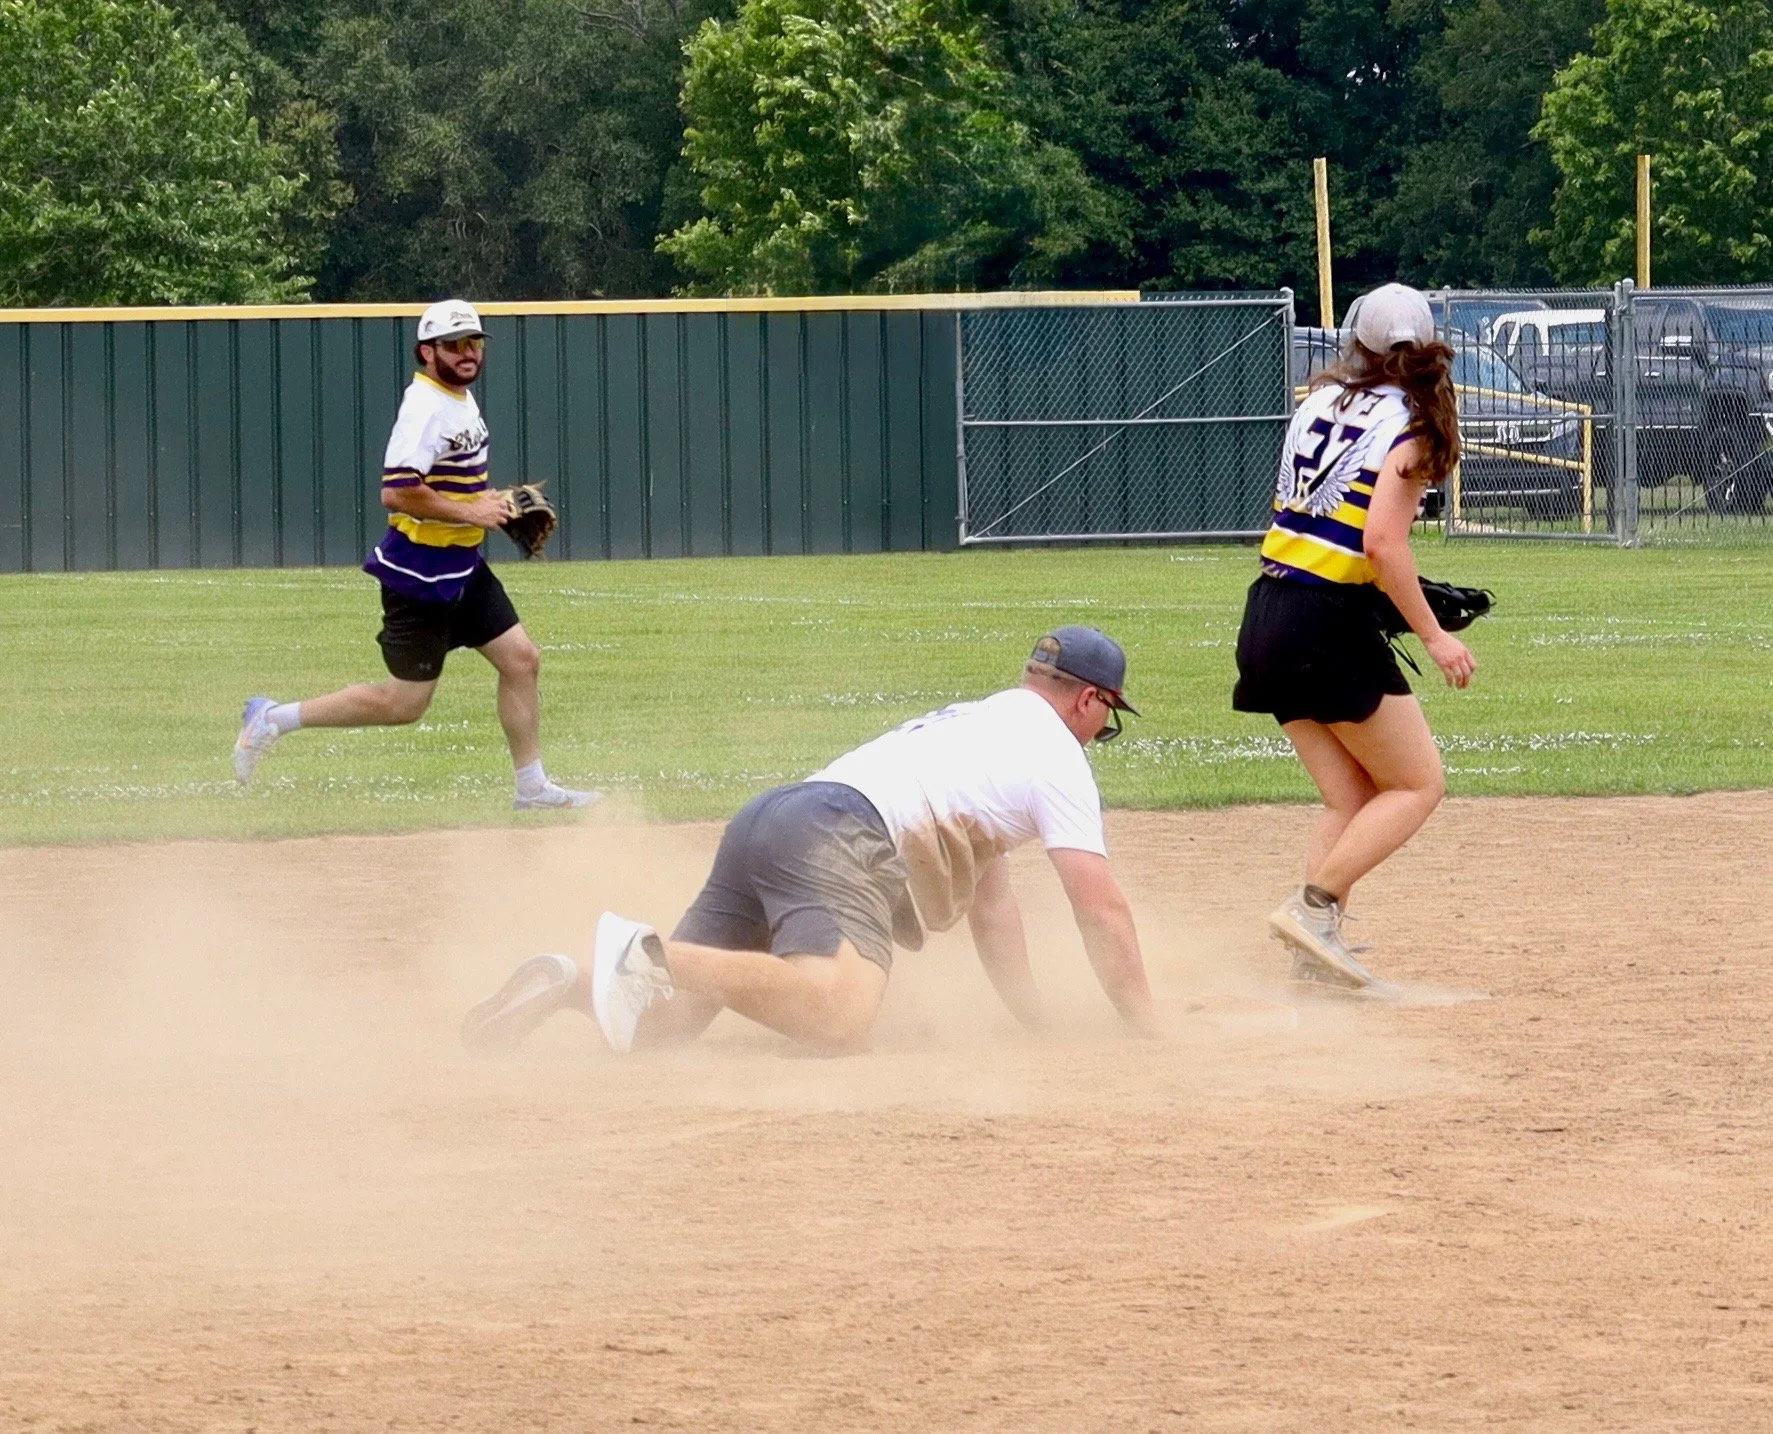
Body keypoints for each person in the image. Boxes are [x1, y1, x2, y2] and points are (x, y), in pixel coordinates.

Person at [461, 626, 1161, 1056]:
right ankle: (644, 953)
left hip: (774, 818)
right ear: (1089, 699)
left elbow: (991, 906)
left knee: (662, 1029)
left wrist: (1033, 1019)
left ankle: (566, 980)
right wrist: (1144, 1026)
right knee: (837, 1016)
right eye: (1108, 716)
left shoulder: (981, 727)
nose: (1101, 732)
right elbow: (1099, 908)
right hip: (837, 836)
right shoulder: (1055, 754)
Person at [232, 299, 595, 811]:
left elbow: (451, 482)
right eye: (454, 345)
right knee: (403, 705)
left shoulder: (457, 397)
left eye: (474, 342)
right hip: (420, 575)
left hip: (462, 566)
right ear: (427, 352)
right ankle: (271, 718)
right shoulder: (424, 407)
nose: (467, 353)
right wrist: (471, 513)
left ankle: (531, 786)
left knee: (521, 660)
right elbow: (398, 491)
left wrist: (490, 505)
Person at [1232, 282, 1475, 995]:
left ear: (1355, 343)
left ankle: (1314, 962)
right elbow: (1381, 546)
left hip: (1269, 612)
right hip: (1324, 622)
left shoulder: (1318, 399)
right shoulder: (1410, 422)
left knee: (1352, 796)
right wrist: (1431, 635)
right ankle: (1312, 912)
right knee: (1417, 784)